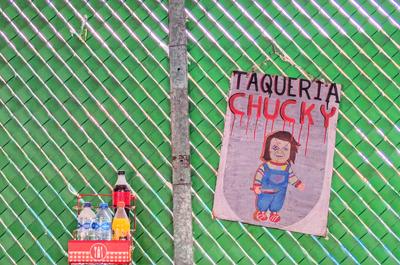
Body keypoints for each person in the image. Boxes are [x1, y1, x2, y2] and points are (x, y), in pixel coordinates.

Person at [252, 131, 305, 223]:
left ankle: (274, 213)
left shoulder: (287, 168)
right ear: (268, 149)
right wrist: (256, 186)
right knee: (264, 201)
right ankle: (261, 212)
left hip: (280, 193)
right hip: (265, 191)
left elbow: (291, 177)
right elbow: (259, 176)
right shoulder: (265, 166)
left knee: (277, 202)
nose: (279, 152)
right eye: (275, 147)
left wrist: (297, 184)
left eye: (285, 149)